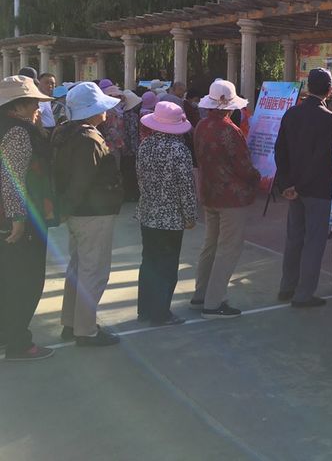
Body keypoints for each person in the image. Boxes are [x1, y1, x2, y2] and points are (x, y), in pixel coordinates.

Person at [53, 82, 124, 346]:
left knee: (78, 268)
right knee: (93, 271)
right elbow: (81, 181)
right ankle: (86, 330)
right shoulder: (89, 138)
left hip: (80, 213)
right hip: (93, 212)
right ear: (92, 110)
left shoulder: (66, 132)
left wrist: (65, 210)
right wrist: (67, 208)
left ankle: (72, 322)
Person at [192, 80, 261, 319]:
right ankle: (214, 303)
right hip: (231, 197)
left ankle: (201, 294)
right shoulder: (230, 130)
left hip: (209, 193)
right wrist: (258, 177)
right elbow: (243, 166)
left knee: (210, 245)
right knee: (228, 249)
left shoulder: (201, 126)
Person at [0, 76, 57, 361]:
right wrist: (18, 218)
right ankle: (18, 343)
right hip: (20, 219)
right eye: (33, 101)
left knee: (8, 279)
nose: (38, 107)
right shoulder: (19, 132)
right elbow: (12, 177)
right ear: (17, 105)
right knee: (25, 280)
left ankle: (7, 335)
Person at [274, 68, 332, 308]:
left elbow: (280, 150)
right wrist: (299, 185)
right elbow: (321, 158)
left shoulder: (292, 113)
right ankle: (303, 294)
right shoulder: (328, 118)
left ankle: (287, 287)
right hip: (316, 189)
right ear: (329, 90)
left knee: (294, 238)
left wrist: (287, 184)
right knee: (314, 242)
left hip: (294, 188)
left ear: (308, 87)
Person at [136, 102, 197, 326]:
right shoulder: (179, 150)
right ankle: (160, 313)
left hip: (148, 212)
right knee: (167, 266)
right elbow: (186, 187)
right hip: (171, 218)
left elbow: (140, 177)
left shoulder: (145, 145)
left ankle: (145, 309)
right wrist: (190, 215)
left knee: (149, 262)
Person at [121, 89, 143, 201]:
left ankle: (127, 194)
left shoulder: (122, 114)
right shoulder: (133, 116)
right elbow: (133, 134)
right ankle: (133, 195)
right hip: (131, 150)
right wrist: (136, 150)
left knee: (125, 172)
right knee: (132, 173)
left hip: (124, 149)